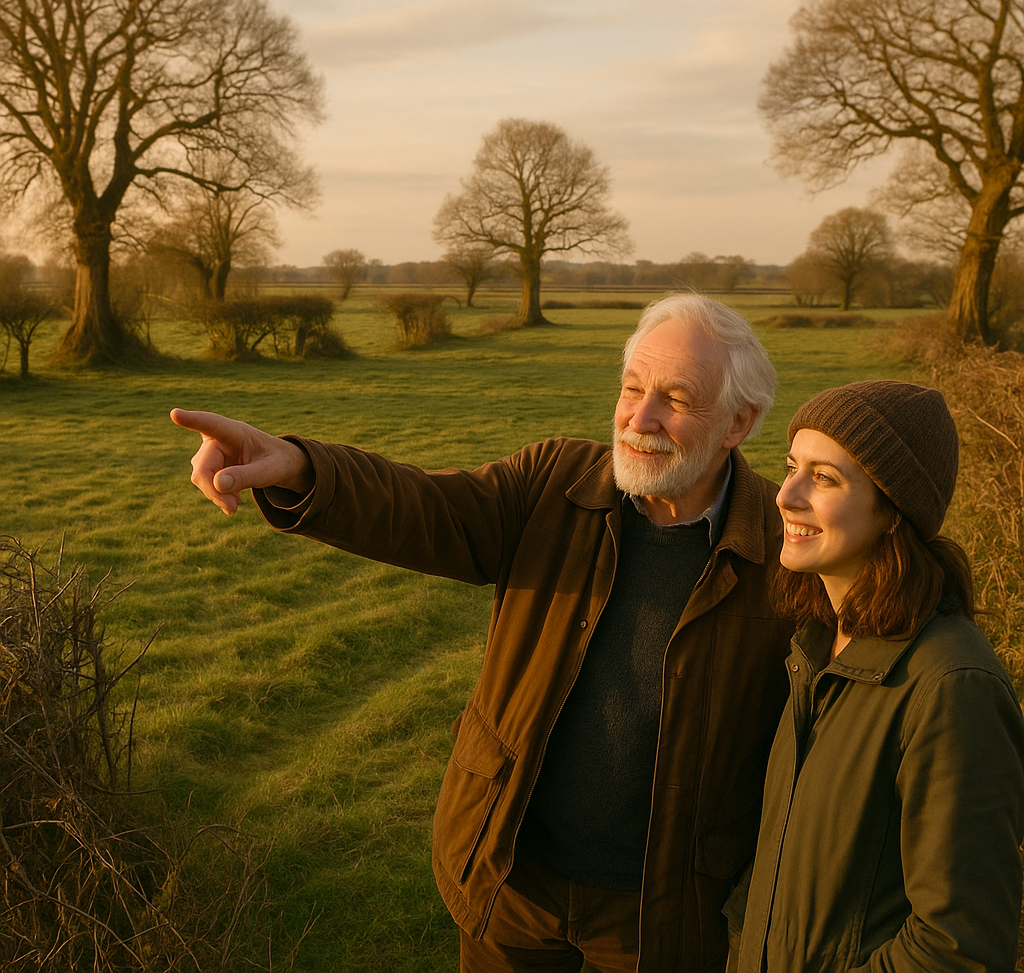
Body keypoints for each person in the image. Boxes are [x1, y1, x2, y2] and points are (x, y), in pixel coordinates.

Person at [171, 294, 795, 973]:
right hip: (510, 873)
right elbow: (422, 507)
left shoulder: (787, 544)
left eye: (675, 398)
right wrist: (296, 464)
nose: (639, 418)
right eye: (631, 388)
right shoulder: (554, 482)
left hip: (664, 907)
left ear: (740, 422)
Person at [730, 380, 1024, 973]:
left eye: (825, 477)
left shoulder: (950, 685)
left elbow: (957, 948)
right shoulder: (815, 649)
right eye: (791, 467)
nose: (785, 495)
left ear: (894, 510)